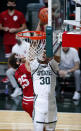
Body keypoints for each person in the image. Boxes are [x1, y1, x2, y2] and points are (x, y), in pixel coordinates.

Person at [30, 48, 59, 131]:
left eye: (45, 53)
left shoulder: (53, 66)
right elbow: (32, 59)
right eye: (42, 53)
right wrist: (40, 55)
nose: (43, 55)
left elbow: (55, 59)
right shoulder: (34, 66)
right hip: (39, 103)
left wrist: (49, 54)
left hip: (52, 104)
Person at [8, 53, 34, 117]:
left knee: (37, 122)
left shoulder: (16, 73)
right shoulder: (25, 66)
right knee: (42, 123)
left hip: (25, 101)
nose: (21, 55)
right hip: (32, 100)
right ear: (17, 62)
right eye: (18, 56)